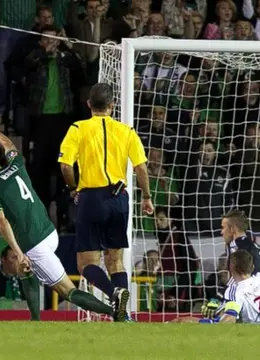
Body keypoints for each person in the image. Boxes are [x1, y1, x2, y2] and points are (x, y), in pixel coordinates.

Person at [0, 121, 125, 322]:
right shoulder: (16, 165)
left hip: (34, 242)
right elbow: (10, 146)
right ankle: (35, 320)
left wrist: (18, 252)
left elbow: (1, 222)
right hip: (49, 232)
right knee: (23, 269)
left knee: (66, 290)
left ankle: (116, 313)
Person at [58, 83, 154, 320]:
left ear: (89, 104)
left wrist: (73, 189)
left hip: (91, 197)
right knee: (115, 259)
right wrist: (147, 197)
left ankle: (114, 294)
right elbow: (141, 168)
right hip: (118, 198)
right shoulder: (127, 131)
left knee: (86, 263)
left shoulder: (78, 128)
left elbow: (65, 166)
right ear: (112, 106)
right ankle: (122, 312)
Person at [174, 250, 260, 324]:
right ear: (252, 267)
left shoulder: (236, 291)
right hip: (259, 329)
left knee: (181, 321)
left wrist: (212, 320)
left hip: (241, 333)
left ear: (231, 269)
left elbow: (229, 320)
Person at [221, 209, 260, 275]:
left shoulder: (255, 251)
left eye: (223, 227)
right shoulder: (231, 247)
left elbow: (259, 283)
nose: (221, 232)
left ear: (232, 229)